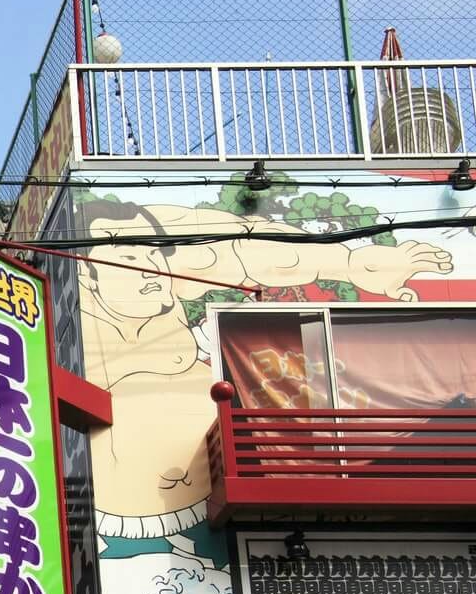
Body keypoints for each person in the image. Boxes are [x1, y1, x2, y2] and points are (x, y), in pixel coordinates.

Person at [76, 197, 451, 546]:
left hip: (222, 495)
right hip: (121, 520)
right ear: (87, 274)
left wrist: (348, 264)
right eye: (130, 257)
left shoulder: (157, 270)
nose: (154, 269)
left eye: (157, 254)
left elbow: (241, 247)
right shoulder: (67, 313)